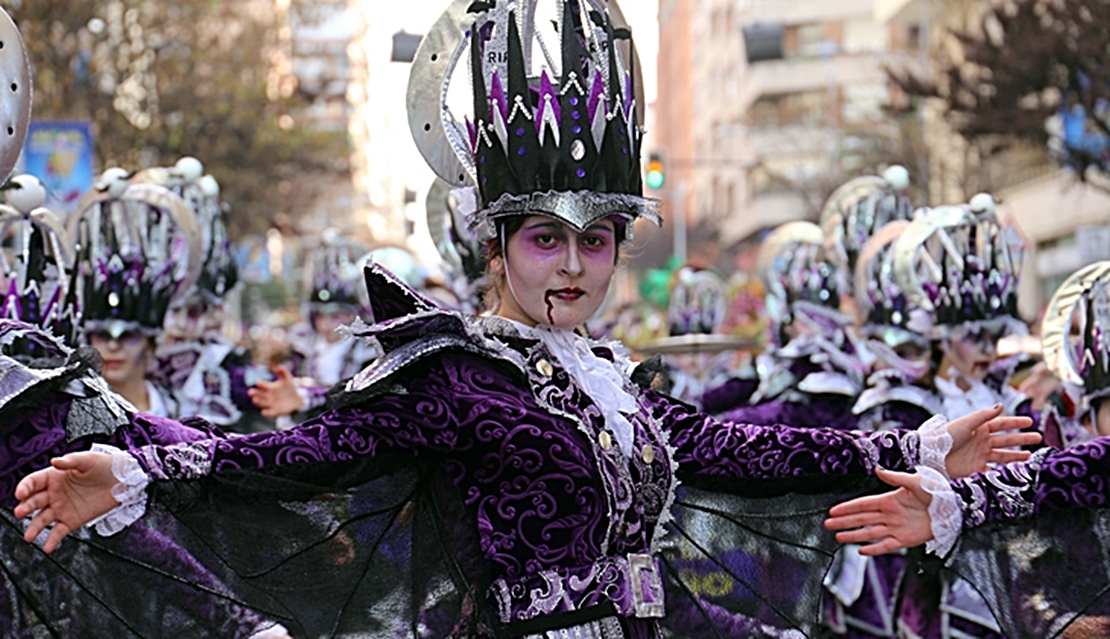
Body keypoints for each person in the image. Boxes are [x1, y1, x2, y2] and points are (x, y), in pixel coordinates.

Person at [12, 1, 1039, 637]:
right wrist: (145, 468)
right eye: (547, 237)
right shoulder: (451, 376)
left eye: (599, 240)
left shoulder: (608, 379)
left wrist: (921, 442)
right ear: (494, 243)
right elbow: (309, 454)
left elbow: (738, 451)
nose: (577, 264)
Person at [825, 259, 1110, 637]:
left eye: (996, 337)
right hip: (932, 582)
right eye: (977, 336)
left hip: (1015, 572)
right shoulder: (900, 404)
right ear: (943, 336)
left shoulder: (1019, 404)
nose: (990, 350)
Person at [66, 167, 205, 416]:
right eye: (101, 334)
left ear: (151, 343)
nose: (113, 347)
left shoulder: (185, 415)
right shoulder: (63, 417)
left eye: (129, 335)